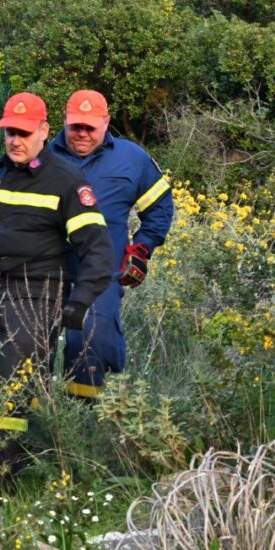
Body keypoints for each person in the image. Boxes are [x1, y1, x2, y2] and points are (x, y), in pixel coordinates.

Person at [0, 92, 113, 442]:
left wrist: (79, 301)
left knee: (13, 390)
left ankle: (8, 476)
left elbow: (98, 249)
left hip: (34, 295)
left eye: (24, 133)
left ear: (44, 131)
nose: (15, 140)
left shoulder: (66, 180)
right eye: (10, 132)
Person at [49, 90, 174, 400]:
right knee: (30, 344)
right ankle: (27, 430)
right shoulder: (41, 157)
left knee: (93, 340)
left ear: (106, 122)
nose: (82, 133)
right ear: (64, 121)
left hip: (100, 272)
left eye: (90, 127)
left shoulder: (132, 158)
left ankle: (83, 418)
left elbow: (159, 206)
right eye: (76, 125)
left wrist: (143, 248)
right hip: (45, 269)